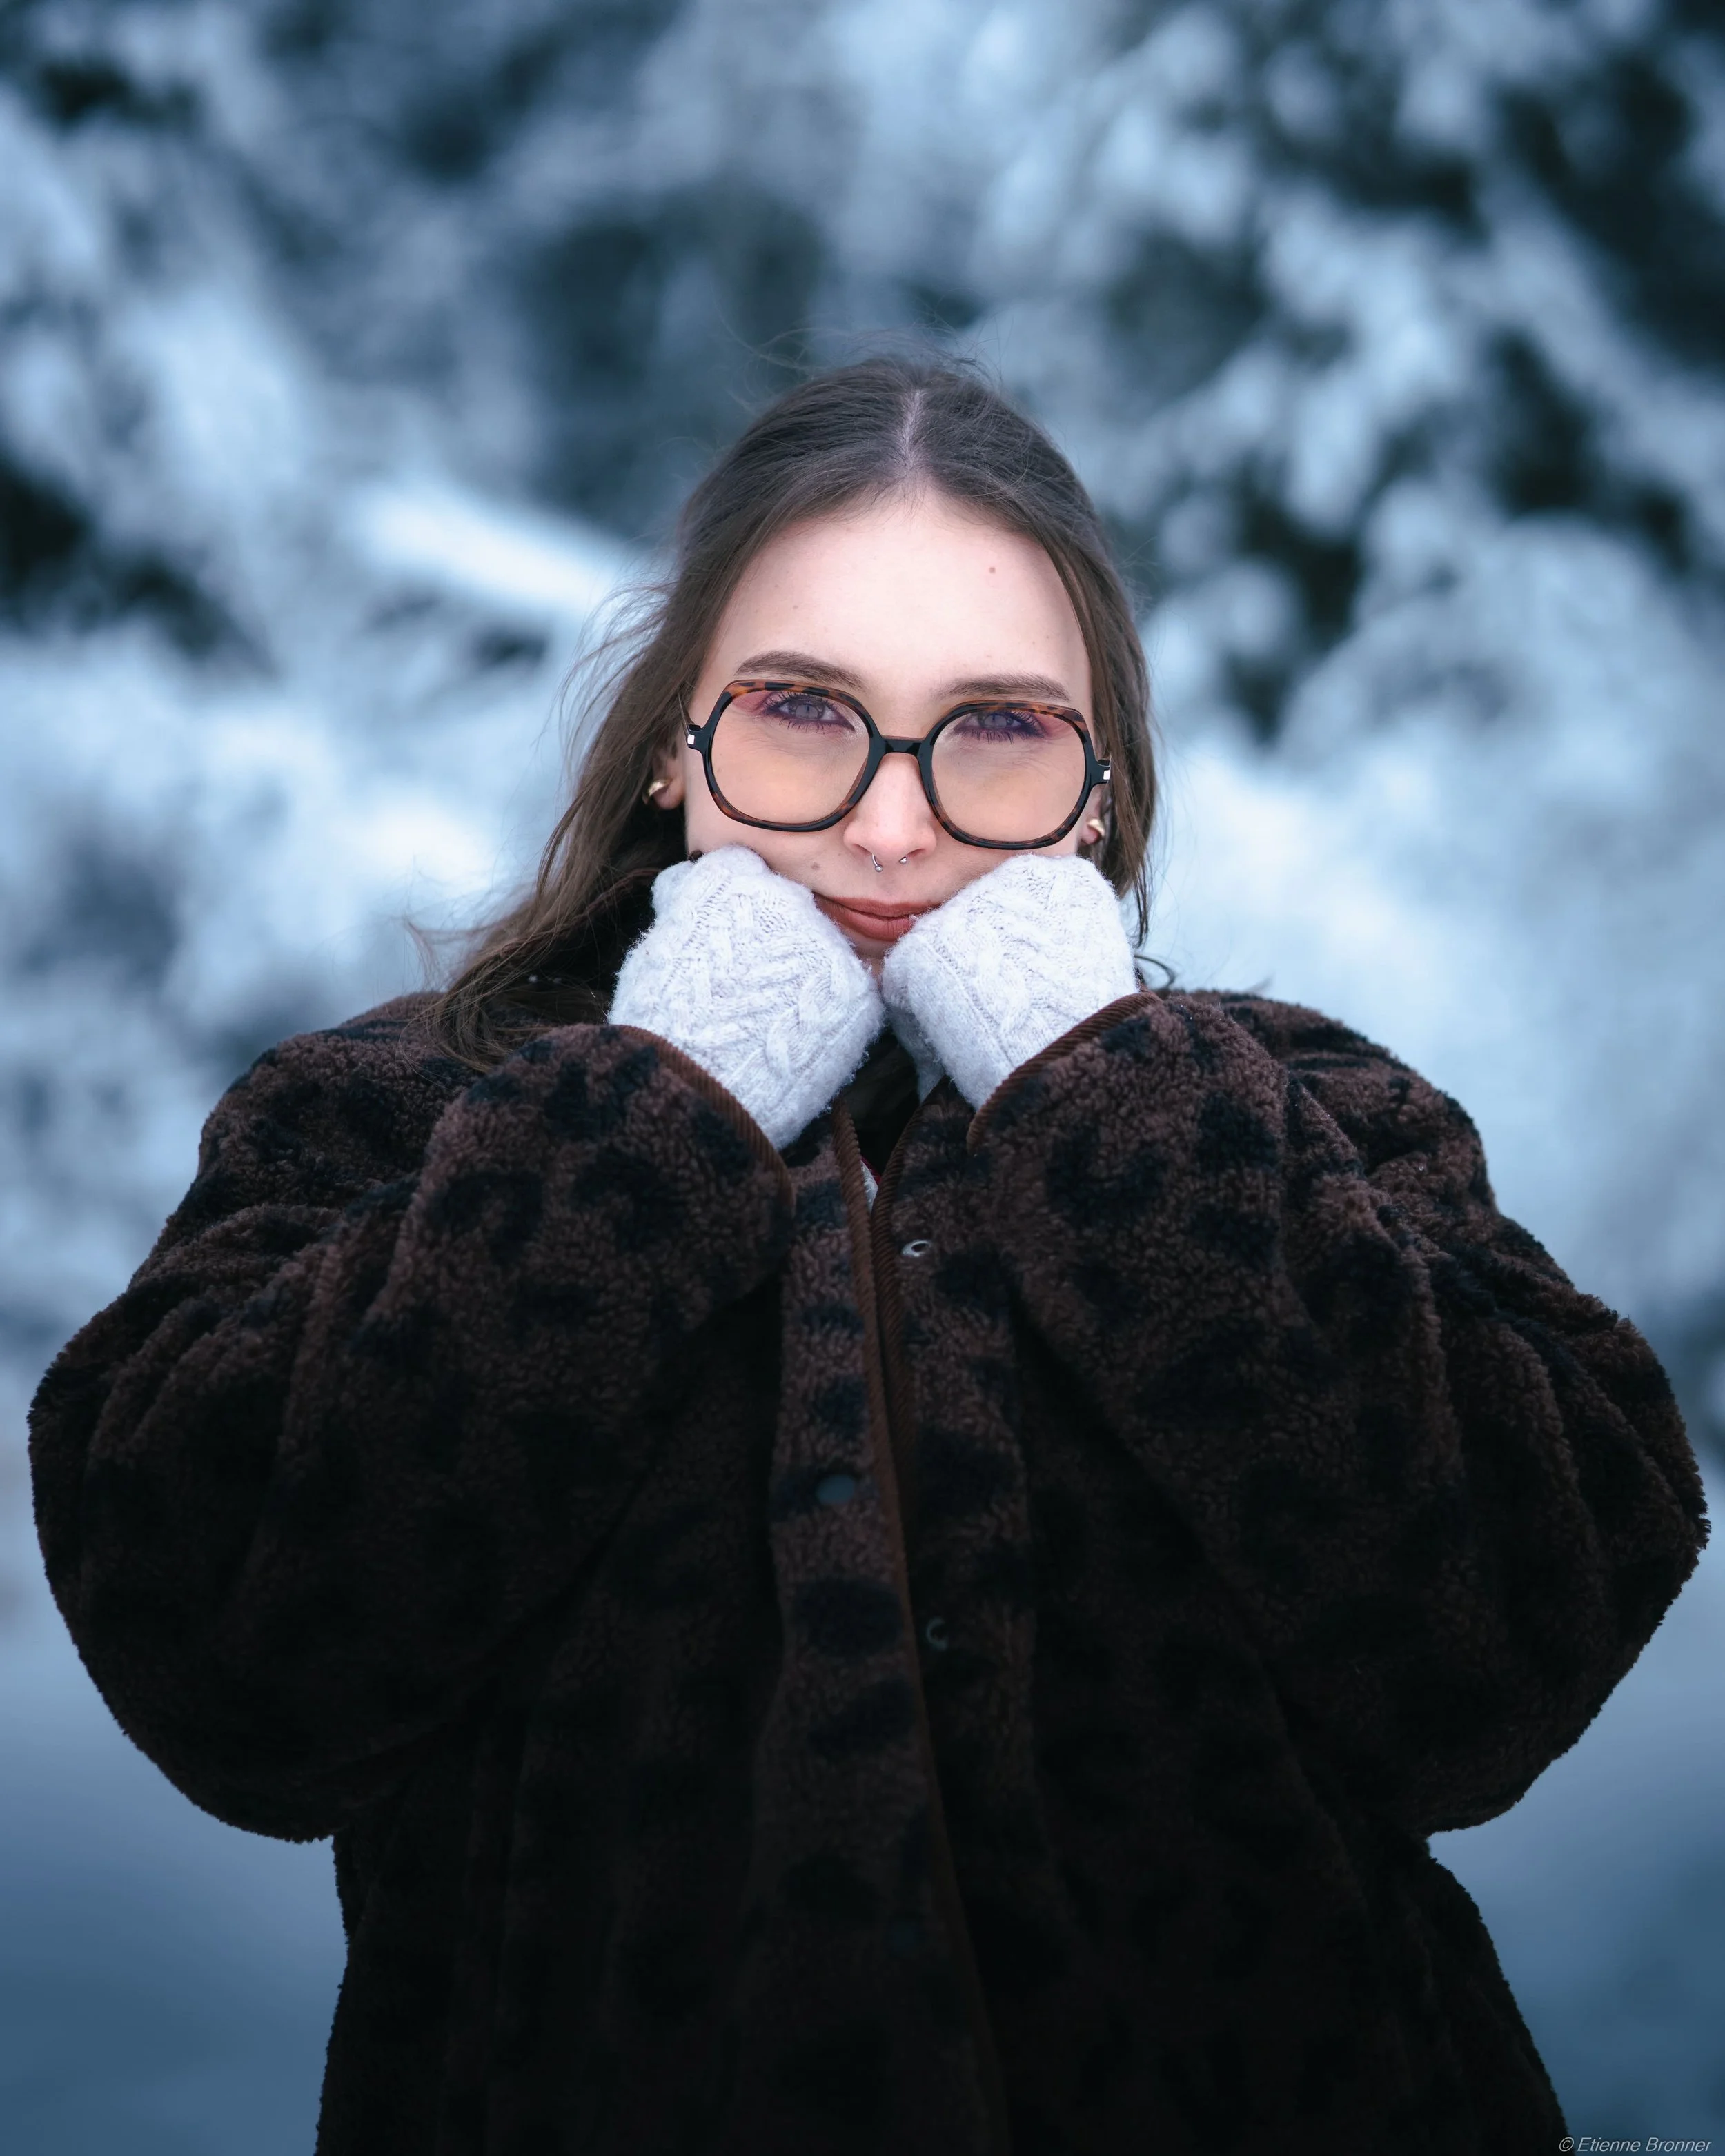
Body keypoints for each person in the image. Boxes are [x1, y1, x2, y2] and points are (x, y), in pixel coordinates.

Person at [27, 357, 1710, 2156]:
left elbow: (1509, 1640)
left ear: (1094, 784)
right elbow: (229, 1668)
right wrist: (649, 1115)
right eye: (801, 711)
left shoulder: (1294, 1116)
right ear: (683, 745)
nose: (889, 820)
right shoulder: (391, 1121)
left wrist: (1107, 1089)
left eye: (992, 726)